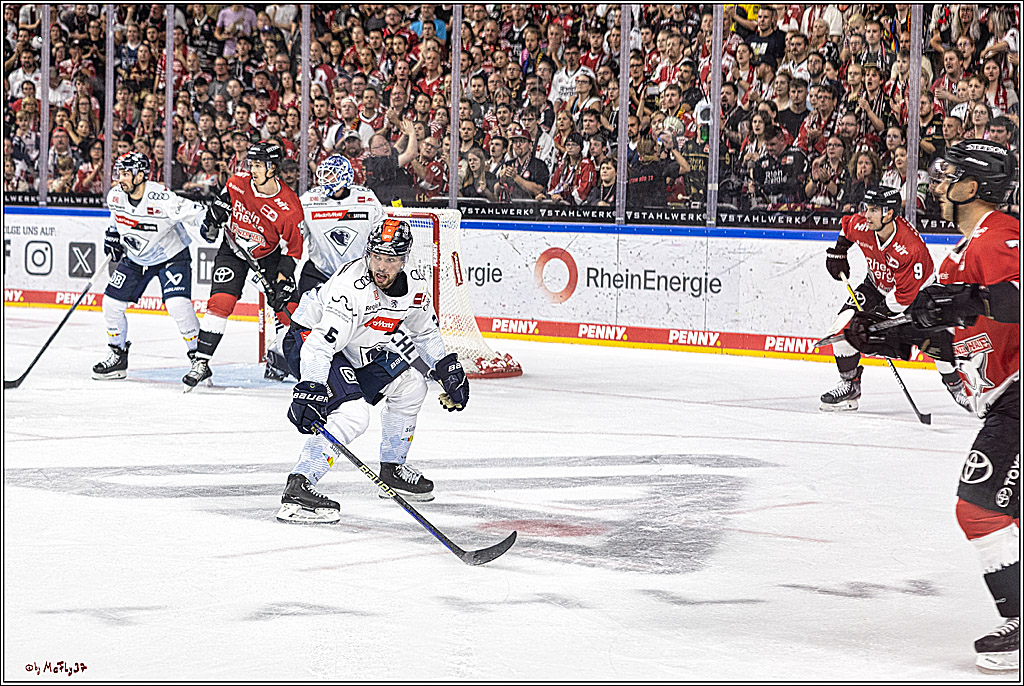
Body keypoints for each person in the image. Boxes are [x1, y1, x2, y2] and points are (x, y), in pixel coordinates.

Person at [844, 141, 1019, 674]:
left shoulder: (1001, 235)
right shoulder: (963, 251)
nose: (937, 185)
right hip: (1003, 398)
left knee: (981, 507)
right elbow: (941, 326)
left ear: (972, 188)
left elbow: (1010, 300)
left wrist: (971, 302)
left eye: (949, 176)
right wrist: (890, 334)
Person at [276, 217, 470, 521]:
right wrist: (310, 389)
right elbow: (319, 345)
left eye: (390, 259)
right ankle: (299, 487)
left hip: (355, 347)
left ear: (404, 259)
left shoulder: (415, 285)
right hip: (308, 340)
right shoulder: (351, 289)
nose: (381, 266)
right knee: (354, 413)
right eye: (376, 257)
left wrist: (446, 368)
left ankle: (392, 469)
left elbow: (425, 333)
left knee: (411, 385)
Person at [183, 142, 304, 389]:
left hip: (268, 255)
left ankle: (286, 358)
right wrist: (213, 218)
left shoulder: (289, 207)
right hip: (233, 249)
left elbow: (292, 251)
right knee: (220, 303)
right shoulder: (238, 181)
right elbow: (223, 202)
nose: (253, 170)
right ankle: (201, 362)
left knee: (287, 305)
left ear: (273, 168)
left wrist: (282, 280)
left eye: (258, 165)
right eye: (251, 164)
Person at [819, 185, 934, 411]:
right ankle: (849, 385)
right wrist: (839, 251)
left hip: (916, 296)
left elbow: (903, 296)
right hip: (875, 286)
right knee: (843, 326)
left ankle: (957, 382)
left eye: (873, 210)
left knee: (936, 344)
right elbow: (847, 227)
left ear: (889, 213)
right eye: (866, 208)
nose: (866, 215)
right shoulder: (864, 225)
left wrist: (875, 318)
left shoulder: (910, 247)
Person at [93, 152, 208, 380]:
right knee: (111, 304)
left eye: (126, 174)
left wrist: (207, 224)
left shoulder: (160, 196)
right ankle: (117, 355)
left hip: (171, 256)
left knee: (178, 306)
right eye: (119, 174)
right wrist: (112, 235)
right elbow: (116, 218)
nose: (120, 179)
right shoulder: (115, 195)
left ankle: (199, 360)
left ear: (140, 176)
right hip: (137, 258)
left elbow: (194, 211)